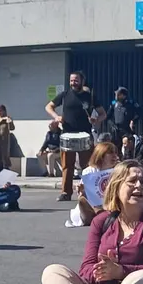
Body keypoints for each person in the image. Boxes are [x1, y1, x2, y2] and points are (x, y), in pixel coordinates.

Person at [46, 71, 106, 202]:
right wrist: (56, 117)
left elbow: (103, 114)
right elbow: (49, 106)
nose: (73, 82)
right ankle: (65, 193)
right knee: (67, 165)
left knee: (87, 165)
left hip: (85, 135)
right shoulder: (64, 95)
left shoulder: (89, 96)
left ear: (82, 81)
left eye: (76, 80)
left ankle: (88, 192)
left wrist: (96, 120)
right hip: (67, 134)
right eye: (72, 80)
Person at [66, 142, 119, 228]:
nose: (114, 155)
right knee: (82, 199)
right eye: (110, 153)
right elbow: (83, 195)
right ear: (101, 155)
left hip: (110, 206)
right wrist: (81, 190)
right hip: (92, 209)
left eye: (115, 153)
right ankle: (101, 215)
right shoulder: (89, 171)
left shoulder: (118, 170)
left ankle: (103, 216)